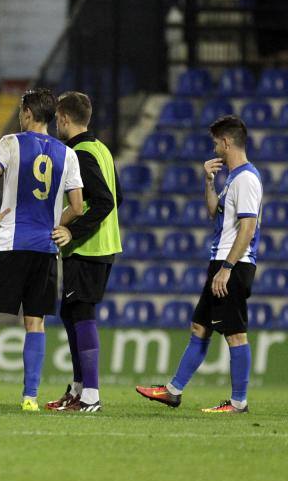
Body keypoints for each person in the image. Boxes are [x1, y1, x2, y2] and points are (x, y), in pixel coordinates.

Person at [0, 88, 84, 412]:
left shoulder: (11, 143)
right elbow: (79, 205)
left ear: (28, 113)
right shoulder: (67, 153)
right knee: (35, 322)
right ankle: (30, 398)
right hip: (45, 246)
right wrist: (60, 224)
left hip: (11, 242)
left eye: (20, 109)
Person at [136, 115, 261, 414]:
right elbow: (212, 212)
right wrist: (208, 181)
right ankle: (173, 391)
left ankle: (238, 402)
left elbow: (248, 228)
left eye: (216, 142)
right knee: (200, 327)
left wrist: (227, 268)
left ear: (227, 142)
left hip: (233, 264)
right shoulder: (233, 178)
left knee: (235, 333)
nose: (215, 147)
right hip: (222, 261)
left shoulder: (246, 179)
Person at [44, 91, 123, 413]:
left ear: (63, 118)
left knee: (82, 312)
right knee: (71, 312)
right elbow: (119, 194)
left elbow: (105, 200)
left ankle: (90, 394)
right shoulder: (100, 148)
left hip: (89, 247)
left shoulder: (79, 153)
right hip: (98, 245)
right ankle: (78, 388)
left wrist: (72, 230)